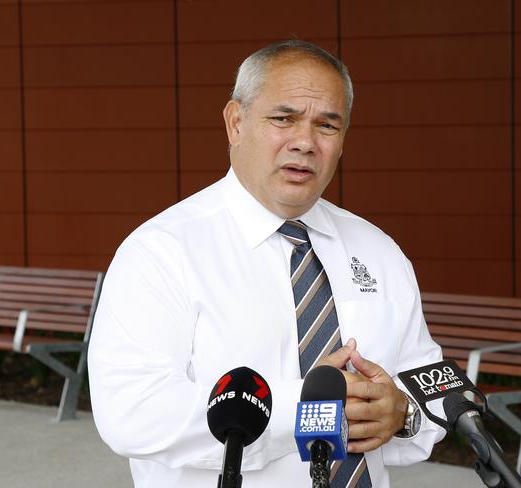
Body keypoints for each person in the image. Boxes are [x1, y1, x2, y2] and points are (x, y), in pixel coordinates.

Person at [88, 40, 445, 488]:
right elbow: (132, 411)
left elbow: (430, 385)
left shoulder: (379, 252)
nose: (305, 142)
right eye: (283, 118)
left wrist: (404, 414)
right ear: (235, 123)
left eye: (327, 126)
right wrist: (307, 411)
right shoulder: (162, 252)